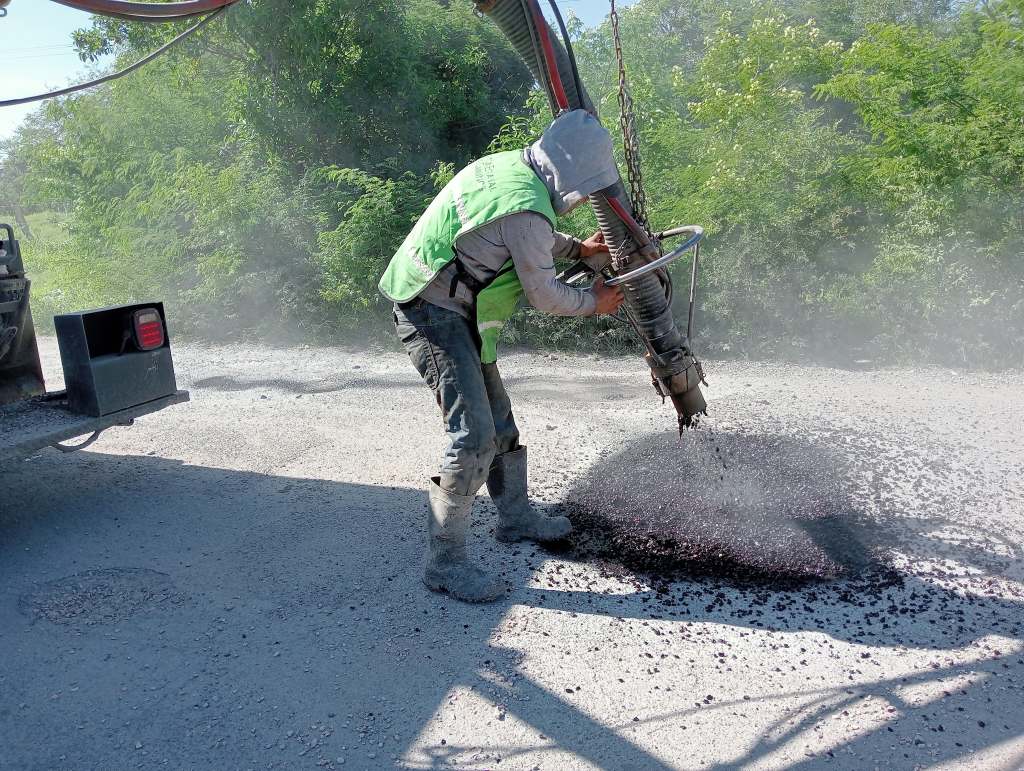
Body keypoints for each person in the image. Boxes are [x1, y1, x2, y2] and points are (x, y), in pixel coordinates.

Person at [379, 109, 624, 603]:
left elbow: (517, 231)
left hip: (446, 297)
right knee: (473, 435)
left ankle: (515, 520)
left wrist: (577, 249)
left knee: (499, 422)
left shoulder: (512, 168)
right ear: (573, 177)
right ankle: (444, 563)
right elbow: (547, 295)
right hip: (431, 311)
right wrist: (594, 304)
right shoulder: (528, 209)